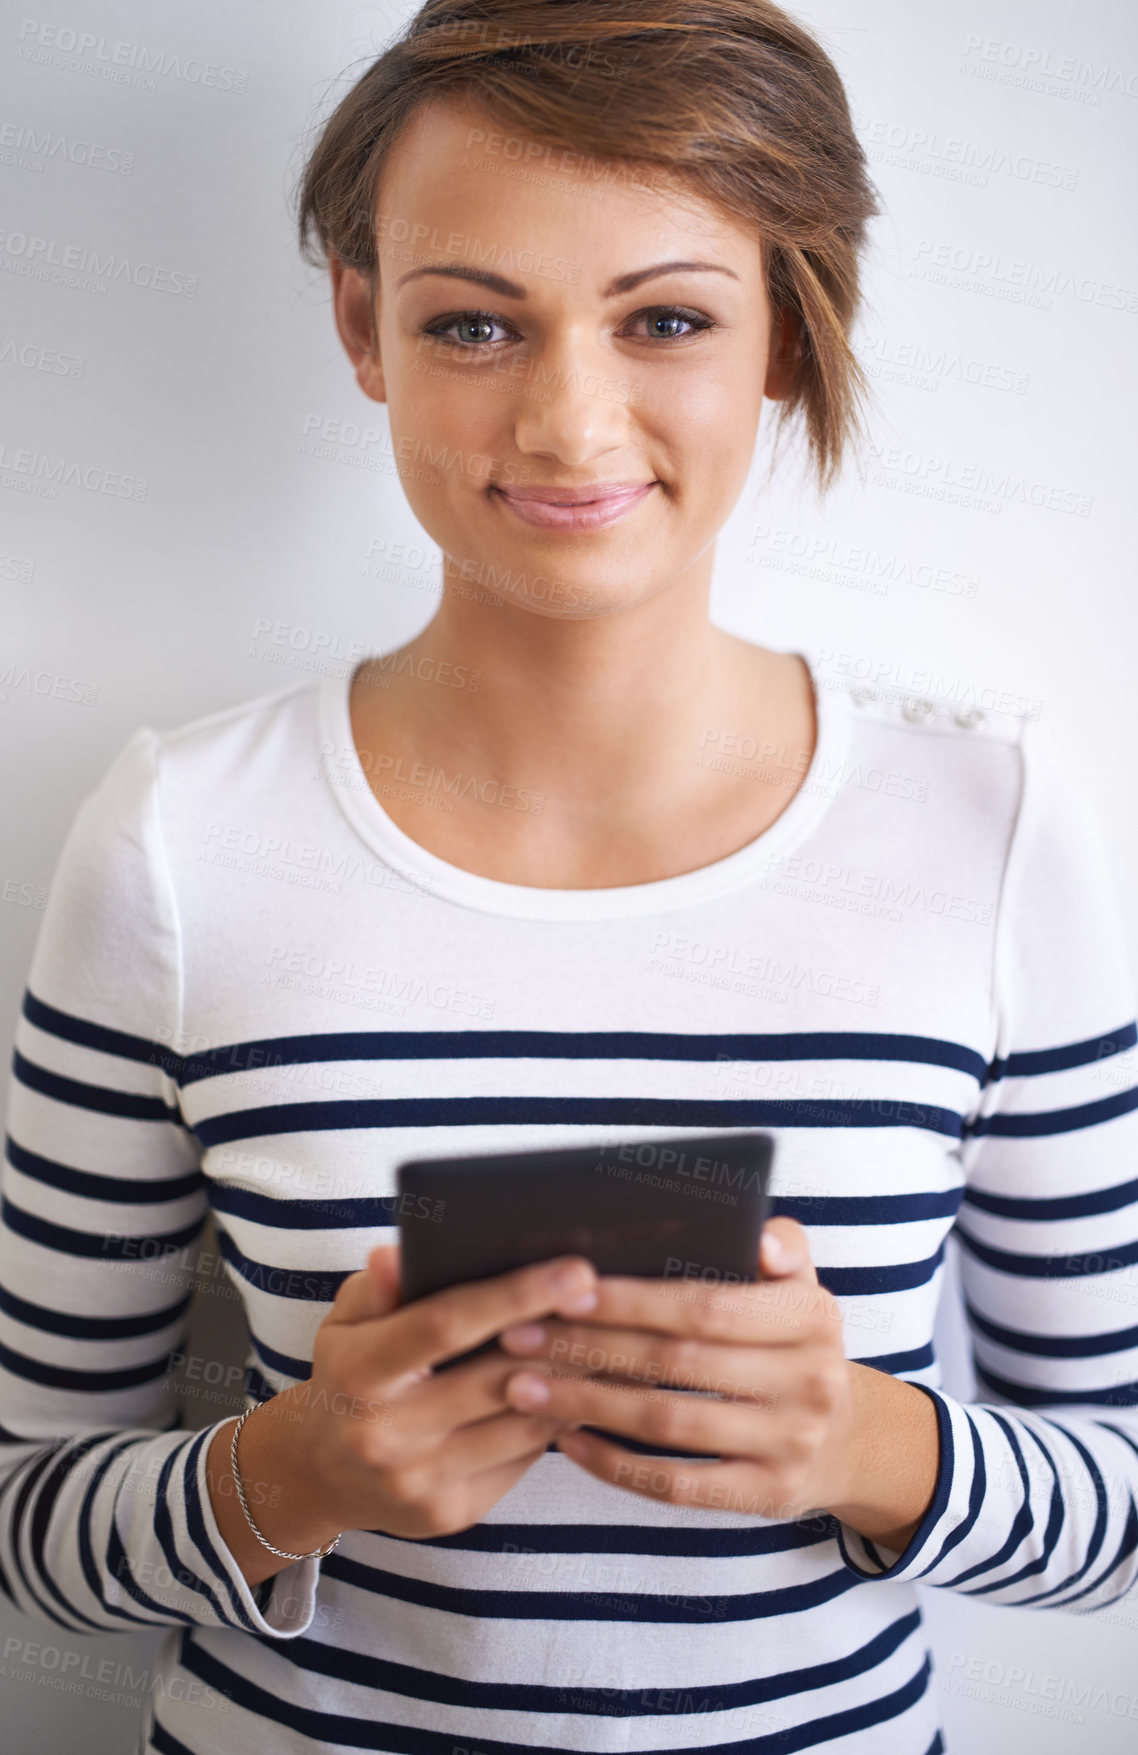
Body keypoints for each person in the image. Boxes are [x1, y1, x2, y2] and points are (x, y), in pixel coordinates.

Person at [2, 2, 1137, 1751]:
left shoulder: (991, 830)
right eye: (474, 321)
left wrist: (864, 1445)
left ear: (785, 331)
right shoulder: (174, 835)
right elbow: (30, 1527)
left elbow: (1118, 1509)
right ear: (362, 327)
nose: (566, 420)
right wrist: (287, 1473)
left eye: (666, 317)